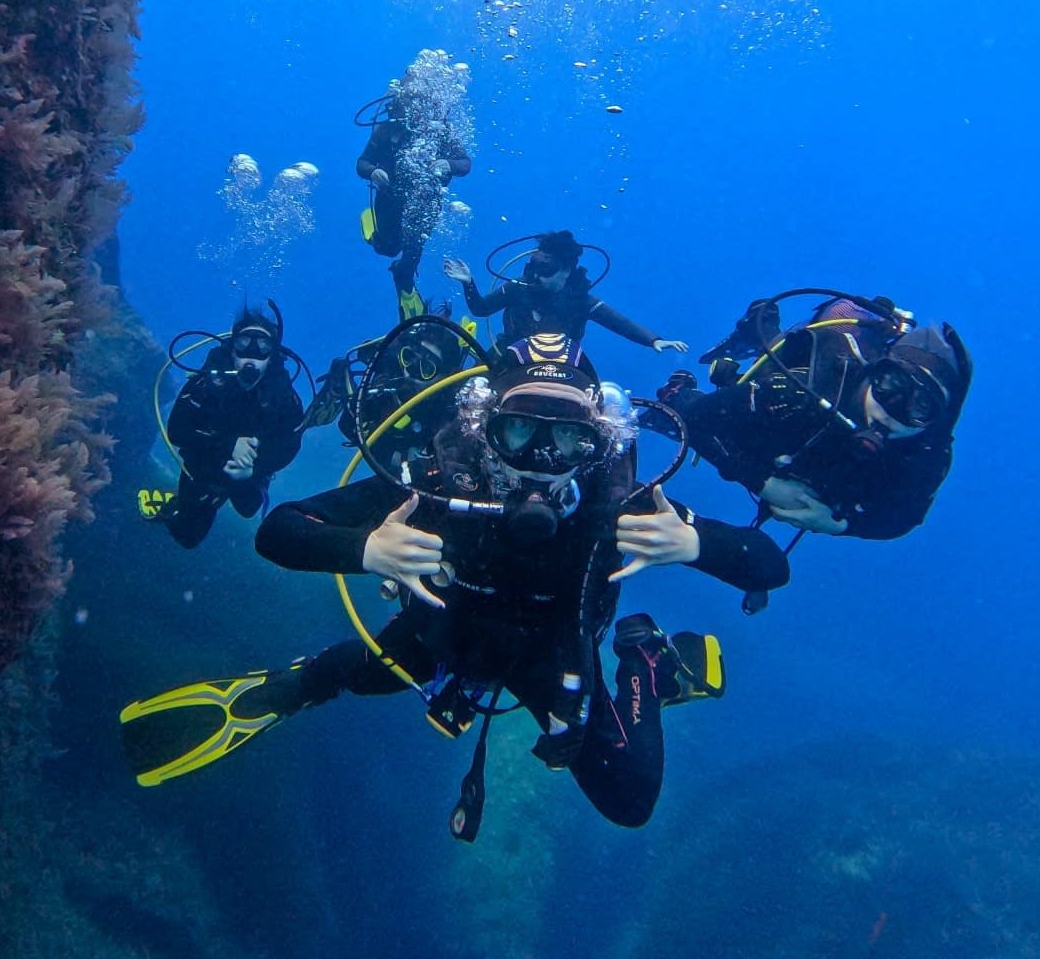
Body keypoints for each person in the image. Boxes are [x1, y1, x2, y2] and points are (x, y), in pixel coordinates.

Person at [120, 338, 789, 834]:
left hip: (552, 652)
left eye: (568, 441)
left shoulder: (616, 509)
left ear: (598, 444)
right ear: (483, 431)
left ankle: (643, 657)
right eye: (519, 430)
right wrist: (366, 548)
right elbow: (280, 530)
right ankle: (304, 682)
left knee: (630, 799)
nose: (540, 460)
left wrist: (696, 542)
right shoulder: (438, 489)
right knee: (378, 670)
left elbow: (768, 563)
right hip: (445, 627)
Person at [651, 293, 972, 541]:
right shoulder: (803, 388)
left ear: (935, 421)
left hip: (801, 462)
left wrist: (840, 524)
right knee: (702, 402)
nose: (894, 412)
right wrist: (762, 481)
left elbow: (903, 518)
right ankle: (749, 333)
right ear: (876, 371)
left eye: (920, 408)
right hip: (771, 428)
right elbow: (699, 419)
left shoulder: (927, 455)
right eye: (891, 387)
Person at [143, 304, 305, 549]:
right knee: (188, 537)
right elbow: (177, 431)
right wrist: (229, 445)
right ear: (232, 349)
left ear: (272, 355)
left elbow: (290, 445)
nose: (251, 356)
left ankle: (229, 488)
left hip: (252, 469)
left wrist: (254, 466)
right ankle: (172, 507)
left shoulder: (282, 396)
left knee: (248, 507)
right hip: (207, 464)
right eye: (243, 344)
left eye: (262, 346)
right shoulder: (207, 383)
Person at [357, 49, 473, 319]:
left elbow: (465, 164)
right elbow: (361, 163)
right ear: (399, 99)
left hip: (425, 203)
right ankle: (372, 226)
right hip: (389, 199)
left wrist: (448, 164)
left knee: (409, 256)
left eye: (419, 100)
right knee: (386, 248)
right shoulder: (386, 130)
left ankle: (405, 280)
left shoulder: (441, 131)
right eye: (409, 99)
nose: (414, 106)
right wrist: (373, 172)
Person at [444, 229, 687, 357]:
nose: (536, 276)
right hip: (507, 358)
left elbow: (619, 323)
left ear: (567, 270)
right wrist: (468, 283)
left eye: (546, 268)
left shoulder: (580, 300)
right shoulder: (518, 288)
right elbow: (480, 309)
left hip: (562, 365)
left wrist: (653, 339)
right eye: (533, 267)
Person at [301, 313, 470, 469]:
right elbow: (349, 426)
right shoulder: (388, 378)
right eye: (408, 357)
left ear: (445, 377)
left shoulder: (450, 413)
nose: (409, 371)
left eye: (426, 368)